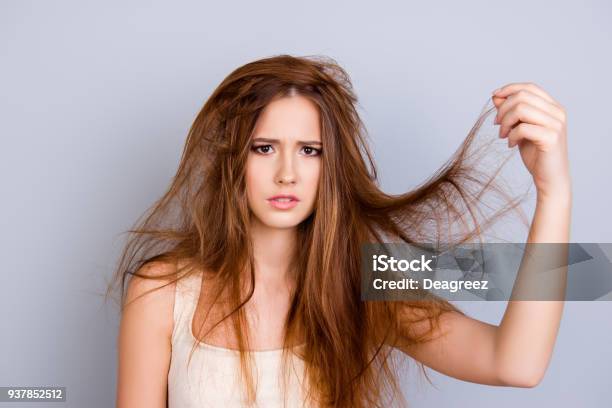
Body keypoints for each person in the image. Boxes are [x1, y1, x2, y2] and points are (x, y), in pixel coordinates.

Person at [110, 54, 571, 407]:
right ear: (232, 158)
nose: (287, 173)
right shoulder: (162, 293)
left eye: (310, 150)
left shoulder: (364, 284)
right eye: (265, 147)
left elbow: (515, 364)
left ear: (331, 166)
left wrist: (554, 192)